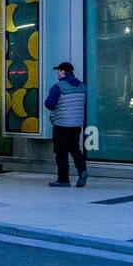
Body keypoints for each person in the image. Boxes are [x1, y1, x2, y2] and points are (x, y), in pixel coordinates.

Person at [45, 60, 88, 188]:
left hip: (62, 124)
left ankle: (63, 179)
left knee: (61, 152)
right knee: (75, 149)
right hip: (76, 124)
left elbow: (50, 104)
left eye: (58, 71)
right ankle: (82, 170)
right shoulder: (82, 86)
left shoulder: (59, 86)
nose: (57, 74)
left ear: (63, 71)